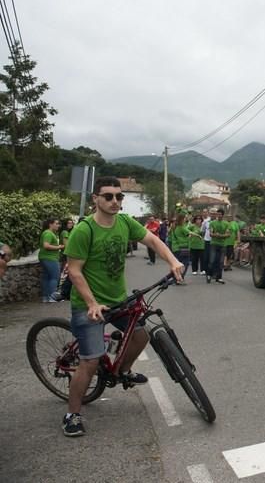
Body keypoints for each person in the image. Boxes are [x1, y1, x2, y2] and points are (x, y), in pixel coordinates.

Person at [62, 176, 183, 437]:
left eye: (119, 196)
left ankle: (122, 371)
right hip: (88, 305)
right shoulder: (84, 231)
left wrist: (172, 262)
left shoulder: (125, 222)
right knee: (90, 361)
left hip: (118, 300)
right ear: (95, 199)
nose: (115, 201)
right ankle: (72, 414)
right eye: (108, 196)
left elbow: (152, 241)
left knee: (141, 336)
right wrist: (92, 303)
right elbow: (74, 272)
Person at [39, 218, 64, 303]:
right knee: (54, 277)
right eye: (56, 223)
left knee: (46, 277)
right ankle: (52, 297)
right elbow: (46, 245)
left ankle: (45, 297)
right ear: (50, 224)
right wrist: (59, 247)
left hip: (44, 257)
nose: (58, 226)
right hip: (50, 258)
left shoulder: (47, 233)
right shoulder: (48, 233)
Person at [207, 209, 230, 284]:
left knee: (220, 262)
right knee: (212, 260)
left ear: (223, 215)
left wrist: (219, 235)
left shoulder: (226, 223)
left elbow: (228, 234)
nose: (219, 216)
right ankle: (209, 275)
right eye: (218, 214)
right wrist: (217, 235)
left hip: (222, 245)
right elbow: (211, 233)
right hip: (213, 243)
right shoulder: (212, 223)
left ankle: (219, 277)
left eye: (220, 214)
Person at [168, 213, 191, 280]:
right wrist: (191, 236)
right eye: (185, 218)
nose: (186, 219)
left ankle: (175, 278)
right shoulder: (181, 227)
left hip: (175, 247)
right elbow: (189, 234)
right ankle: (179, 278)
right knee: (185, 263)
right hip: (182, 247)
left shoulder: (173, 227)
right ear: (182, 219)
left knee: (177, 263)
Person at [200, 209, 212, 275]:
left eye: (206, 212)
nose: (205, 213)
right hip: (207, 240)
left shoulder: (215, 221)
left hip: (215, 241)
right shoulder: (205, 221)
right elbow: (202, 230)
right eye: (203, 212)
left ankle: (212, 270)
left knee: (213, 256)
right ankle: (206, 269)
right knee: (207, 256)